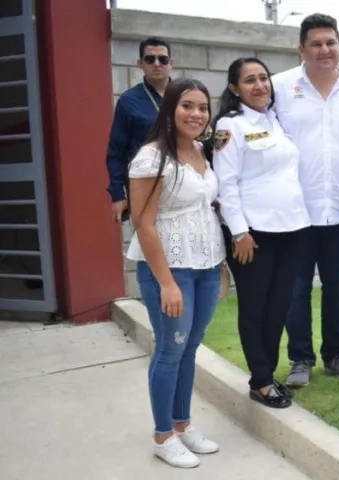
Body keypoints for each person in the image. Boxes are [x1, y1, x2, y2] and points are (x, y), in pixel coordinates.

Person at [126, 77, 224, 468]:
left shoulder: (202, 150)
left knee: (190, 348)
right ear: (169, 108)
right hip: (170, 268)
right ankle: (162, 435)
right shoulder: (152, 157)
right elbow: (143, 222)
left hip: (205, 265)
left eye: (202, 107)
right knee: (170, 350)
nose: (196, 114)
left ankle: (182, 425)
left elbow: (207, 209)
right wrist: (166, 283)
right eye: (187, 105)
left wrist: (219, 269)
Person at [271, 13, 339, 387]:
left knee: (338, 287)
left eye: (331, 42)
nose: (325, 50)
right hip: (294, 212)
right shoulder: (279, 89)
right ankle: (300, 359)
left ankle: (335, 355)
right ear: (301, 49)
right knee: (296, 289)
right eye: (316, 43)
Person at [212, 57, 311, 409]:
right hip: (253, 234)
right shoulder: (229, 126)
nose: (260, 86)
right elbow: (226, 183)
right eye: (250, 80)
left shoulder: (276, 121)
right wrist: (239, 232)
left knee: (279, 306)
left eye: (264, 78)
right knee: (255, 308)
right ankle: (262, 380)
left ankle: (265, 376)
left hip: (291, 229)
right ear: (234, 88)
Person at [106, 37, 175, 224]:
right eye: (150, 59)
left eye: (163, 59)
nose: (157, 64)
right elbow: (116, 152)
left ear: (171, 63)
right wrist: (118, 195)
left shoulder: (185, 95)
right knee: (150, 244)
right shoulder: (129, 101)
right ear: (140, 64)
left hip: (184, 182)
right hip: (146, 184)